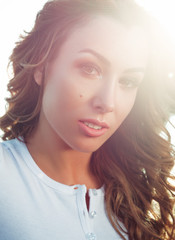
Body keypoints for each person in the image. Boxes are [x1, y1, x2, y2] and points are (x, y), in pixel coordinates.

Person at [0, 0, 175, 239]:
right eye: (90, 69)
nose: (108, 102)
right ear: (41, 65)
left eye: (128, 81)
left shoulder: (135, 195)